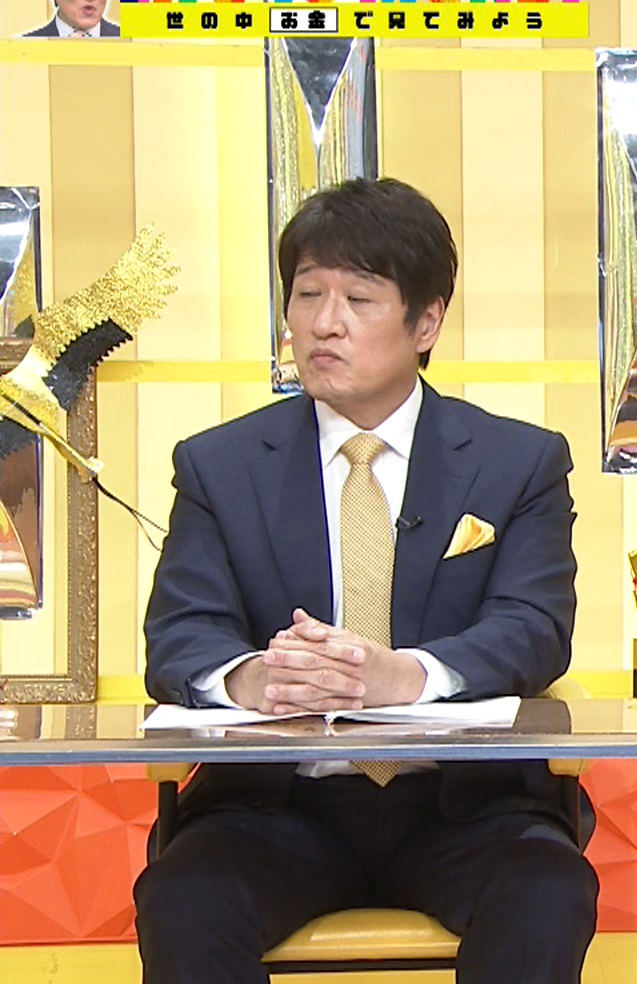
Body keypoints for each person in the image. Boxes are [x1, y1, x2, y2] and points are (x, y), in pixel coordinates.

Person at [136, 178, 596, 984]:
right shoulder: (218, 465)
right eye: (307, 294)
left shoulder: (519, 462)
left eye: (358, 298)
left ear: (427, 322)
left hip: (465, 808)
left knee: (548, 890)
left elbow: (533, 629)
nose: (324, 322)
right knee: (184, 898)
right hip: (278, 809)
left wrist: (401, 677)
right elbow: (180, 634)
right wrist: (252, 680)